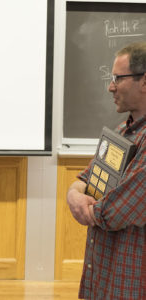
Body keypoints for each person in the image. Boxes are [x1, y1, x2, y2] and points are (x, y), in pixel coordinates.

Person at [67, 41, 146, 300]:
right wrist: (75, 193)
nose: (110, 86)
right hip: (105, 279)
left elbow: (116, 211)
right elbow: (86, 178)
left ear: (144, 82)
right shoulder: (124, 130)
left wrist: (84, 206)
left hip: (131, 285)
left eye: (117, 78)